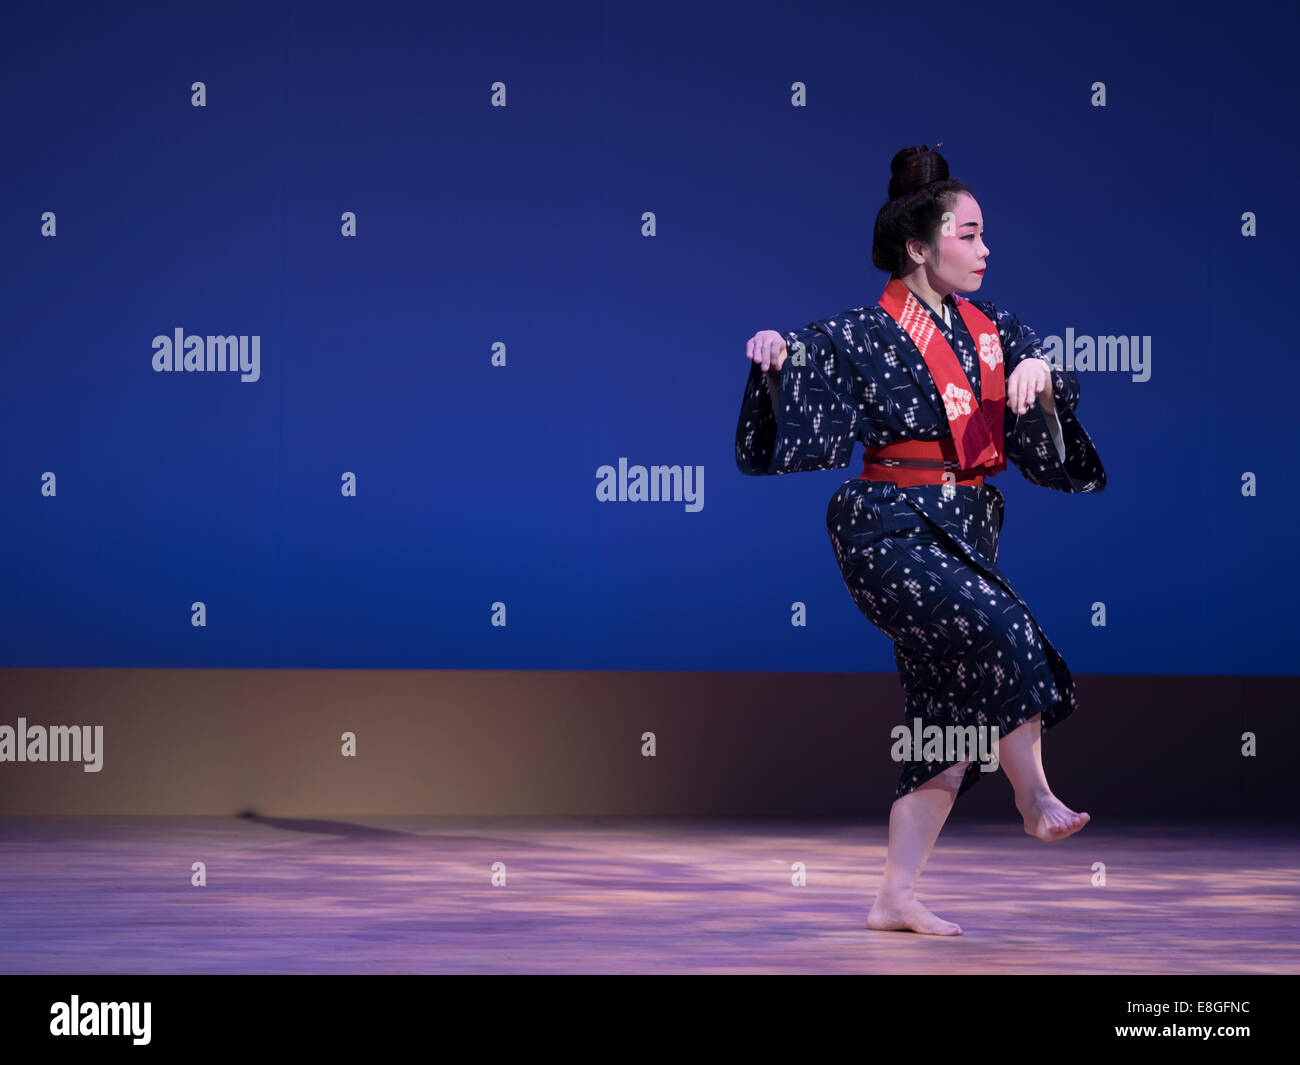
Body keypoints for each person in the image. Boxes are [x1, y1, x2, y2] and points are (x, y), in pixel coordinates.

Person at [735, 144, 1106, 936]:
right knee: (1004, 627)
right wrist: (773, 356)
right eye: (968, 235)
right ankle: (1034, 795)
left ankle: (893, 896)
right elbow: (800, 366)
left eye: (983, 236)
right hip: (889, 528)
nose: (984, 250)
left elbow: (1044, 376)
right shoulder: (863, 332)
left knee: (947, 717)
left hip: (966, 525)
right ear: (918, 245)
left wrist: (1039, 373)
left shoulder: (994, 326)